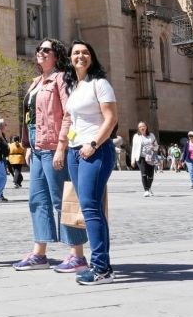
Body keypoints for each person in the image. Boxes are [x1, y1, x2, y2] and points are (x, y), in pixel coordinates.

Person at [12, 39, 87, 274]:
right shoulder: (36, 82)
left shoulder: (62, 79)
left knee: (63, 199)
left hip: (54, 144)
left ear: (57, 55)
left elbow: (68, 114)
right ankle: (40, 253)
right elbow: (29, 117)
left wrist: (62, 146)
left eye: (47, 50)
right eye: (39, 50)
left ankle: (78, 255)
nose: (41, 53)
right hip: (37, 147)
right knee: (37, 201)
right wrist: (26, 145)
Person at [63, 40, 118, 286]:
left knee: (91, 208)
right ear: (70, 58)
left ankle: (100, 268)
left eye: (85, 52)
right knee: (90, 208)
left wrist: (93, 143)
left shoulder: (100, 84)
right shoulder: (75, 86)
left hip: (95, 150)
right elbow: (71, 120)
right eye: (76, 53)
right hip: (75, 152)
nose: (80, 56)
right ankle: (103, 264)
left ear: (92, 57)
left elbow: (111, 118)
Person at [131, 121, 158, 197]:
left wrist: (154, 147)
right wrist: (132, 160)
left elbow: (156, 146)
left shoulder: (151, 135)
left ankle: (149, 188)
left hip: (150, 157)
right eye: (140, 127)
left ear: (146, 127)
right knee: (144, 173)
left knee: (151, 176)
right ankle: (146, 190)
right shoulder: (136, 136)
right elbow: (134, 148)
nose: (142, 128)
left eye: (143, 126)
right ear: (138, 129)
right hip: (140, 157)